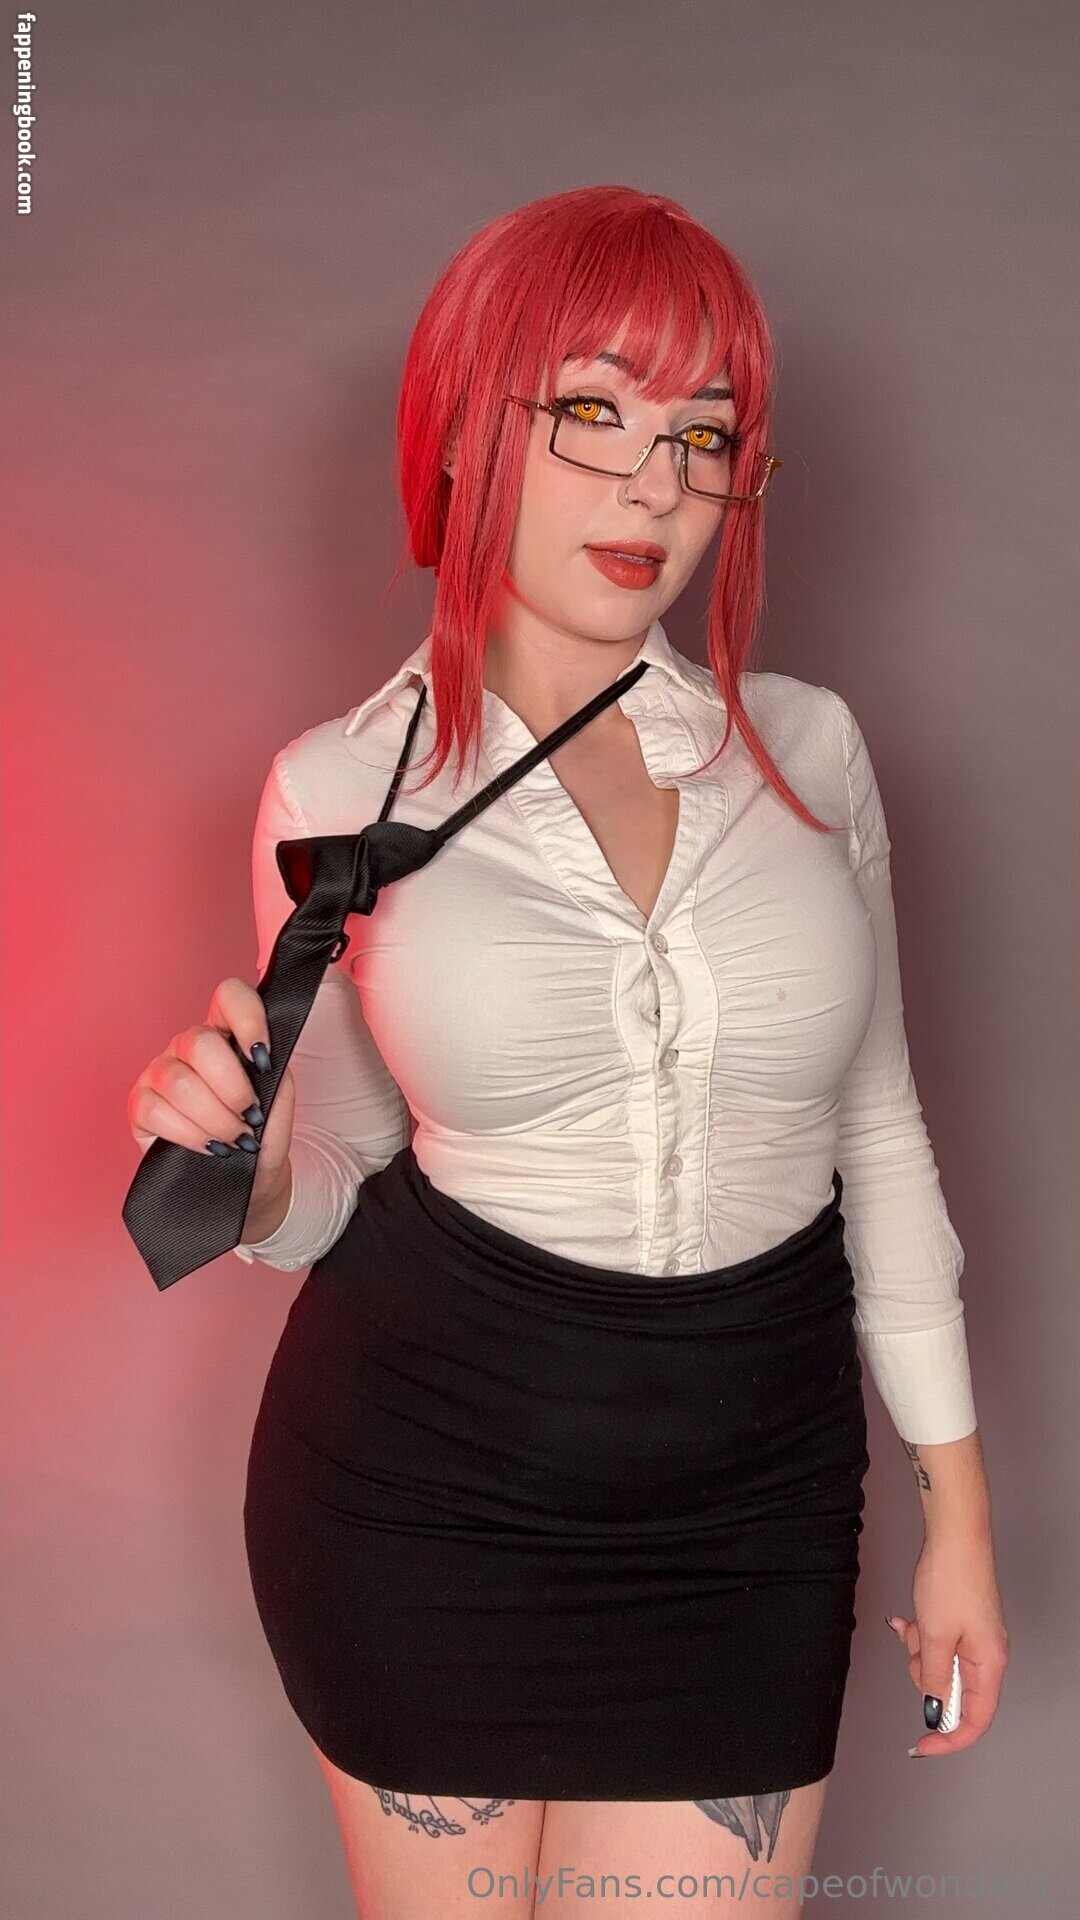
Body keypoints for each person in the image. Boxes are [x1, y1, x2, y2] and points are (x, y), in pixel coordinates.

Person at [128, 186, 1008, 1917]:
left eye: (705, 435)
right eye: (595, 411)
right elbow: (339, 1180)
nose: (655, 487)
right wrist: (248, 1163)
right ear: (469, 431)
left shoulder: (809, 755)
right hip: (424, 1493)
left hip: (752, 1505)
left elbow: (882, 1135)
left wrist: (959, 1521)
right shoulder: (339, 787)